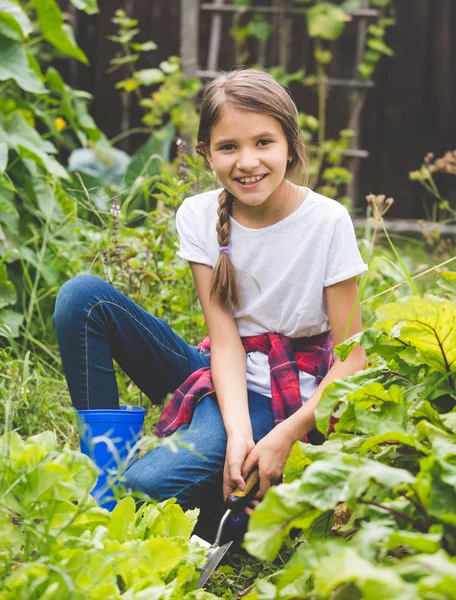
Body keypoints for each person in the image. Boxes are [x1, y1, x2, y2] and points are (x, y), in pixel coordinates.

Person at [54, 68, 367, 516]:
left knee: (145, 487)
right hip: (221, 371)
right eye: (228, 147)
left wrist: (282, 437)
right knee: (83, 299)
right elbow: (225, 341)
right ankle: (103, 481)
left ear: (290, 144)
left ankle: (222, 503)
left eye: (263, 142)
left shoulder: (327, 222)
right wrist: (238, 433)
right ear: (205, 154)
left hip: (285, 396)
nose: (247, 161)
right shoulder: (198, 215)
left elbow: (354, 360)